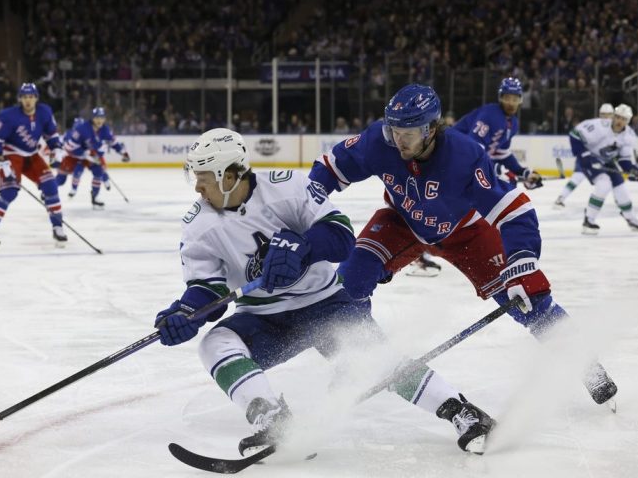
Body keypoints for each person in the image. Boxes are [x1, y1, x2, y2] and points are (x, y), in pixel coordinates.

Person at [154, 128, 496, 455]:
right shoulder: (197, 224)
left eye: (203, 177)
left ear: (229, 176)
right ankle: (273, 420)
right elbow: (207, 287)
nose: (197, 186)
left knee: (373, 358)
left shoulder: (287, 187)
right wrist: (187, 312)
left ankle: (461, 410)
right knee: (214, 344)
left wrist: (304, 247)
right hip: (262, 319)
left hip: (324, 304)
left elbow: (341, 236)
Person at [308, 84, 618, 408]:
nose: (398, 140)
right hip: (402, 222)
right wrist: (303, 205)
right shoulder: (379, 140)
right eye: (394, 130)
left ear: (430, 129)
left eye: (408, 133)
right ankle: (357, 360)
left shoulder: (465, 156)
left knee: (531, 300)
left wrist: (522, 261)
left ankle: (586, 364)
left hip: (466, 232)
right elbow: (331, 166)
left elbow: (514, 210)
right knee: (347, 286)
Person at [0, 83, 67, 249]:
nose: (28, 100)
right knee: (9, 192)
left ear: (36, 98)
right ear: (20, 99)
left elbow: (51, 134)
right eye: (25, 97)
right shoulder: (8, 116)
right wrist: (1, 159)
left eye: (31, 97)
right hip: (11, 154)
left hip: (32, 155)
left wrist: (56, 148)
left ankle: (58, 227)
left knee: (51, 186)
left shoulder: (45, 112)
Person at [565, 104, 638, 234]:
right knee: (604, 184)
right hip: (590, 158)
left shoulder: (629, 135)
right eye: (618, 117)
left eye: (623, 119)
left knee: (621, 189)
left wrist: (631, 169)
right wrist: (584, 155)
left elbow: (623, 159)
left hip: (607, 161)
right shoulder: (599, 126)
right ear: (614, 117)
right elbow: (574, 134)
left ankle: (630, 218)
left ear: (628, 121)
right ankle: (589, 220)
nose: (620, 121)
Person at [453, 77, 543, 190]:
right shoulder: (489, 115)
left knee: (508, 183)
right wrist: (496, 169)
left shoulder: (513, 123)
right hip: (453, 156)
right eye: (507, 98)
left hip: (467, 161)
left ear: (520, 100)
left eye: (515, 99)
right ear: (500, 98)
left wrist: (524, 173)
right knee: (505, 183)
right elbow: (472, 150)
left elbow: (501, 154)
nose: (511, 103)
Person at [61, 107, 130, 206]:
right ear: (92, 118)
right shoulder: (82, 129)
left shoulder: (105, 129)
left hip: (93, 156)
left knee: (98, 172)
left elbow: (113, 142)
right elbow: (69, 147)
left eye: (102, 118)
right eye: (97, 118)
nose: (99, 120)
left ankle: (95, 197)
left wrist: (123, 152)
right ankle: (73, 189)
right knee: (77, 172)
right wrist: (86, 154)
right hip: (79, 156)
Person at [554, 103, 614, 208]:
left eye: (608, 114)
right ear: (600, 114)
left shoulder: (615, 129)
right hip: (586, 156)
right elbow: (575, 134)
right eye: (603, 114)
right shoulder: (593, 125)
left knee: (606, 181)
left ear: (613, 115)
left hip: (599, 158)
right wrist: (584, 153)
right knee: (578, 177)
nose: (606, 117)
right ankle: (561, 198)